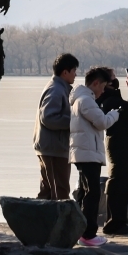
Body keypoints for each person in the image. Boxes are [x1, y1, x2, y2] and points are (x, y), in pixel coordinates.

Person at [70, 67, 121, 246]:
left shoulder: (81, 99)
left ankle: (80, 231)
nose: (103, 91)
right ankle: (88, 235)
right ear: (96, 83)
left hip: (83, 152)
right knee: (92, 194)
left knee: (85, 193)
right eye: (103, 86)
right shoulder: (86, 100)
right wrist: (116, 113)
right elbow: (102, 122)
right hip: (87, 153)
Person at [97, 72, 128, 235]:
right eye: (111, 77)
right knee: (119, 184)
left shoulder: (106, 100)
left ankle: (116, 221)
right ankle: (115, 222)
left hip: (116, 144)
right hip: (121, 146)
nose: (115, 79)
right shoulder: (112, 101)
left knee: (119, 183)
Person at [33, 53, 79, 200]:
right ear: (65, 72)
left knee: (48, 190)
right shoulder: (56, 89)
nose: (76, 74)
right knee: (60, 190)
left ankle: (40, 220)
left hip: (52, 147)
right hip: (54, 149)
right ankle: (59, 221)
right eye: (74, 71)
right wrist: (73, 121)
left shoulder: (60, 87)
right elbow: (48, 117)